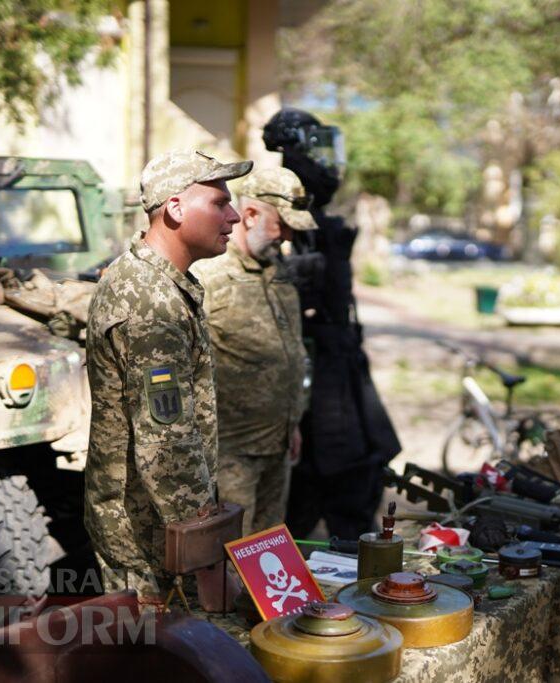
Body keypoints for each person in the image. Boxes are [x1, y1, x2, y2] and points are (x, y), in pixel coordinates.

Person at [84, 149, 251, 601]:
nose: (234, 216)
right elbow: (168, 444)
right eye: (219, 203)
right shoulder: (148, 302)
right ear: (175, 208)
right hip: (146, 533)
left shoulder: (161, 285)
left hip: (165, 525)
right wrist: (208, 560)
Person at [263, 108, 401, 540]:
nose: (327, 164)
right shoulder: (276, 213)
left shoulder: (322, 224)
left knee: (363, 464)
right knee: (324, 476)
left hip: (338, 358)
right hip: (308, 369)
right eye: (315, 149)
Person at [191, 166, 315, 537]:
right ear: (250, 215)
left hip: (278, 444)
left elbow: (291, 350)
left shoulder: (277, 273)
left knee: (270, 549)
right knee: (229, 554)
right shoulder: (207, 274)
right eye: (283, 224)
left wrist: (293, 423)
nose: (289, 236)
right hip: (232, 454)